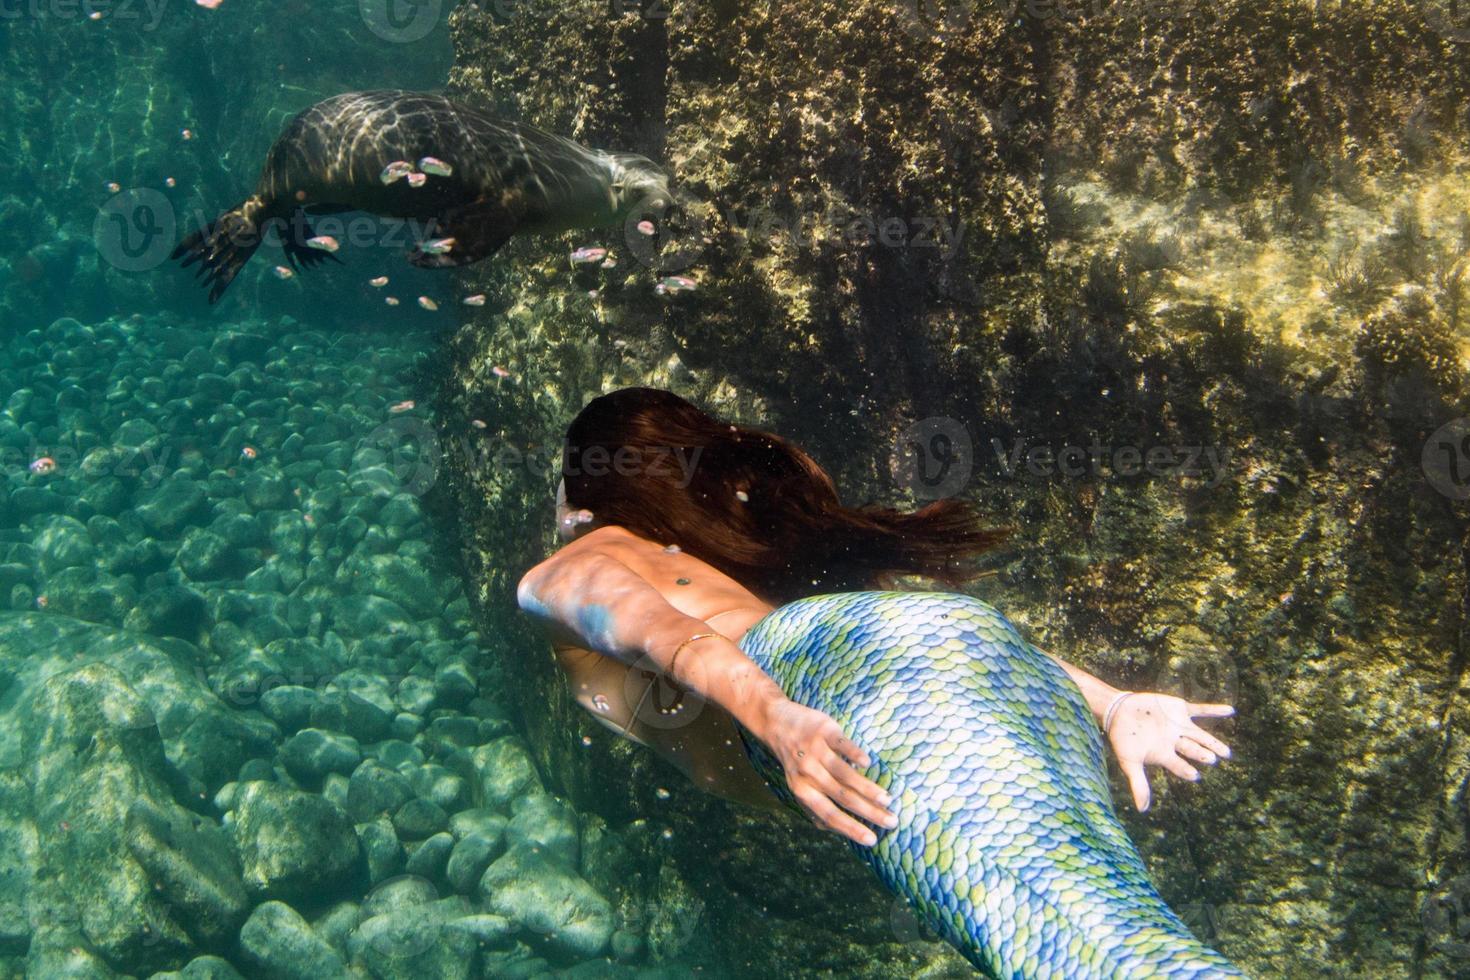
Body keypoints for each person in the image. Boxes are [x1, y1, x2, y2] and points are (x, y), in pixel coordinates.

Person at [517, 387, 1243, 977]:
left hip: (830, 684)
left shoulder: (569, 569)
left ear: (583, 490)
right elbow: (913, 646)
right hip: (976, 656)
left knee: (1084, 950)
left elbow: (667, 636)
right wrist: (1112, 700)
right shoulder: (723, 569)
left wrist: (773, 716)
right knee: (1113, 915)